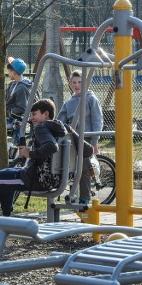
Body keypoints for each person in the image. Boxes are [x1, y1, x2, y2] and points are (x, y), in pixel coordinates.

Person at [0, 99, 65, 237]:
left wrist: (30, 153)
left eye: (34, 114)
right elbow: (86, 150)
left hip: (35, 179)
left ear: (46, 114)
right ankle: (6, 220)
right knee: (4, 174)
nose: (32, 118)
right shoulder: (62, 128)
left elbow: (51, 147)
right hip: (50, 178)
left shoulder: (41, 127)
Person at [57, 70, 103, 204]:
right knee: (71, 166)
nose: (77, 85)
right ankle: (73, 194)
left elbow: (97, 120)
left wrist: (94, 142)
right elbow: (61, 119)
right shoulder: (70, 101)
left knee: (83, 168)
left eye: (80, 82)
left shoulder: (91, 98)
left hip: (86, 137)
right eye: (74, 82)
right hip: (72, 138)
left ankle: (85, 198)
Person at [0, 57, 31, 171]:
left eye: (9, 71)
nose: (8, 73)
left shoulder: (22, 88)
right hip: (10, 117)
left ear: (14, 72)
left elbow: (21, 108)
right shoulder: (13, 85)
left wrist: (3, 112)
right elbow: (4, 98)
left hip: (16, 119)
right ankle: (1, 157)